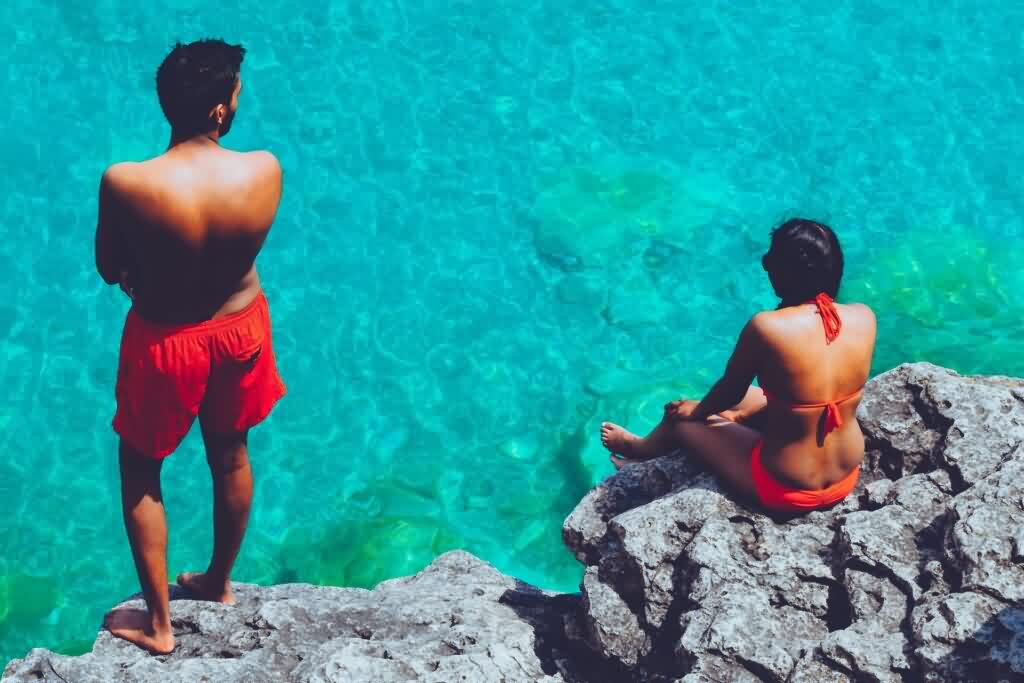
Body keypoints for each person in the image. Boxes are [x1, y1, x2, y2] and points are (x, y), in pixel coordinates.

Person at [94, 38, 285, 654]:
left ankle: (158, 624)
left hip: (166, 342)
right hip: (240, 329)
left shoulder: (126, 182)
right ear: (220, 114)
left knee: (141, 469)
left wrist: (142, 273)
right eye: (237, 91)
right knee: (230, 455)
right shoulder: (263, 169)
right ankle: (218, 582)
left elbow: (107, 265)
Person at [601, 219, 876, 512]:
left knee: (678, 417)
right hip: (846, 474)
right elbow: (805, 393)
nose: (766, 266)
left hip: (786, 486)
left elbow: (730, 391)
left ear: (784, 271)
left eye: (770, 259)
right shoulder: (864, 316)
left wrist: (695, 411)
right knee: (752, 400)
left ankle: (637, 450)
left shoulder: (767, 327)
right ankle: (730, 425)